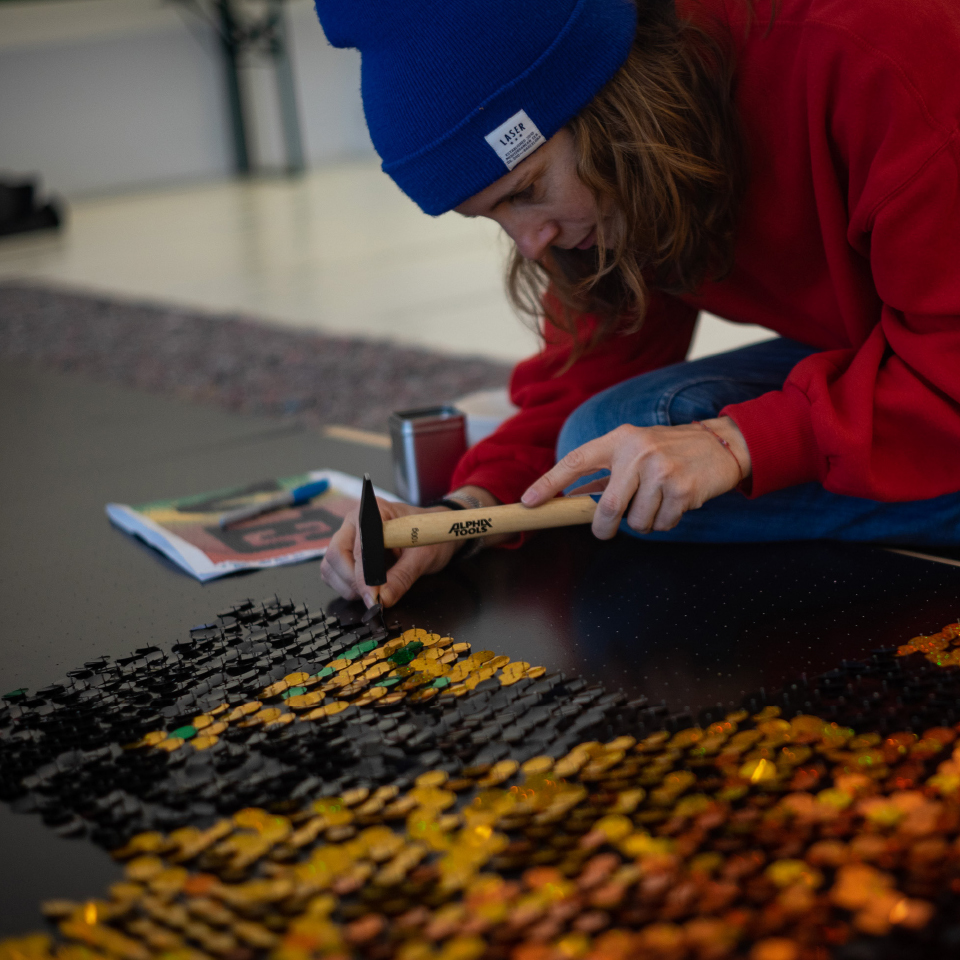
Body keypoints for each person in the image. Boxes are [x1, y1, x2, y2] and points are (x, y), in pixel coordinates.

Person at [316, 0, 960, 609]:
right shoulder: (624, 174)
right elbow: (589, 376)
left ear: (606, 108)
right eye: (492, 217)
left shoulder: (878, 52)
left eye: (527, 190)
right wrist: (459, 518)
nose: (531, 243)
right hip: (905, 346)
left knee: (640, 484)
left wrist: (737, 445)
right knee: (606, 453)